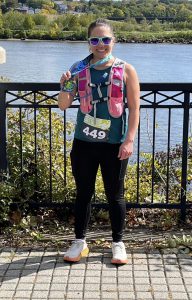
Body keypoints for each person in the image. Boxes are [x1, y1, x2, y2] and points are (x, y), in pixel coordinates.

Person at [58, 18, 140, 264]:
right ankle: (79, 242)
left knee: (115, 195)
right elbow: (63, 105)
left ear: (113, 41)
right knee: (83, 193)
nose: (100, 44)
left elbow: (135, 109)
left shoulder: (126, 69)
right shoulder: (79, 68)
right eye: (95, 40)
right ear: (89, 43)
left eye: (105, 39)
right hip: (84, 142)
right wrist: (65, 85)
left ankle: (118, 243)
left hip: (114, 143)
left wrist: (129, 140)